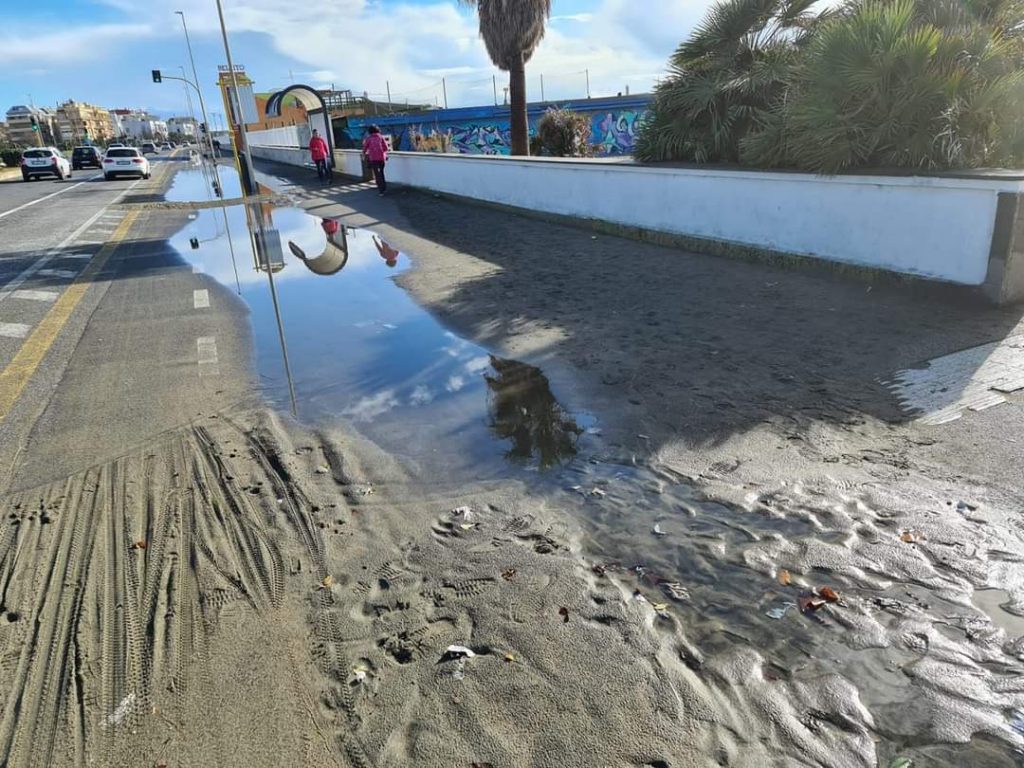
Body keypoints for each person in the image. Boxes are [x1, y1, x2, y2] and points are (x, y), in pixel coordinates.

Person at [363, 125, 388, 195]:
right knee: (381, 173)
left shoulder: (369, 138)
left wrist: (365, 153)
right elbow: (386, 148)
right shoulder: (381, 137)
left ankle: (381, 190)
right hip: (381, 158)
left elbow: (365, 148)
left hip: (373, 159)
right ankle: (384, 187)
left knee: (377, 174)